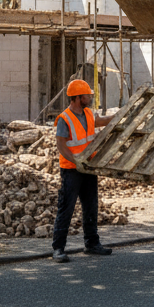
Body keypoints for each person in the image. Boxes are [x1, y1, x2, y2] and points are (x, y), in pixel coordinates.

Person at [52, 79, 116, 262]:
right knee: (66, 208)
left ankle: (92, 244)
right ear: (78, 98)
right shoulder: (65, 118)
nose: (90, 97)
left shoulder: (88, 113)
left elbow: (99, 121)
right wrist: (76, 161)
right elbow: (61, 145)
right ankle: (58, 249)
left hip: (88, 168)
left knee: (91, 206)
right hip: (71, 170)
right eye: (88, 95)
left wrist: (117, 117)